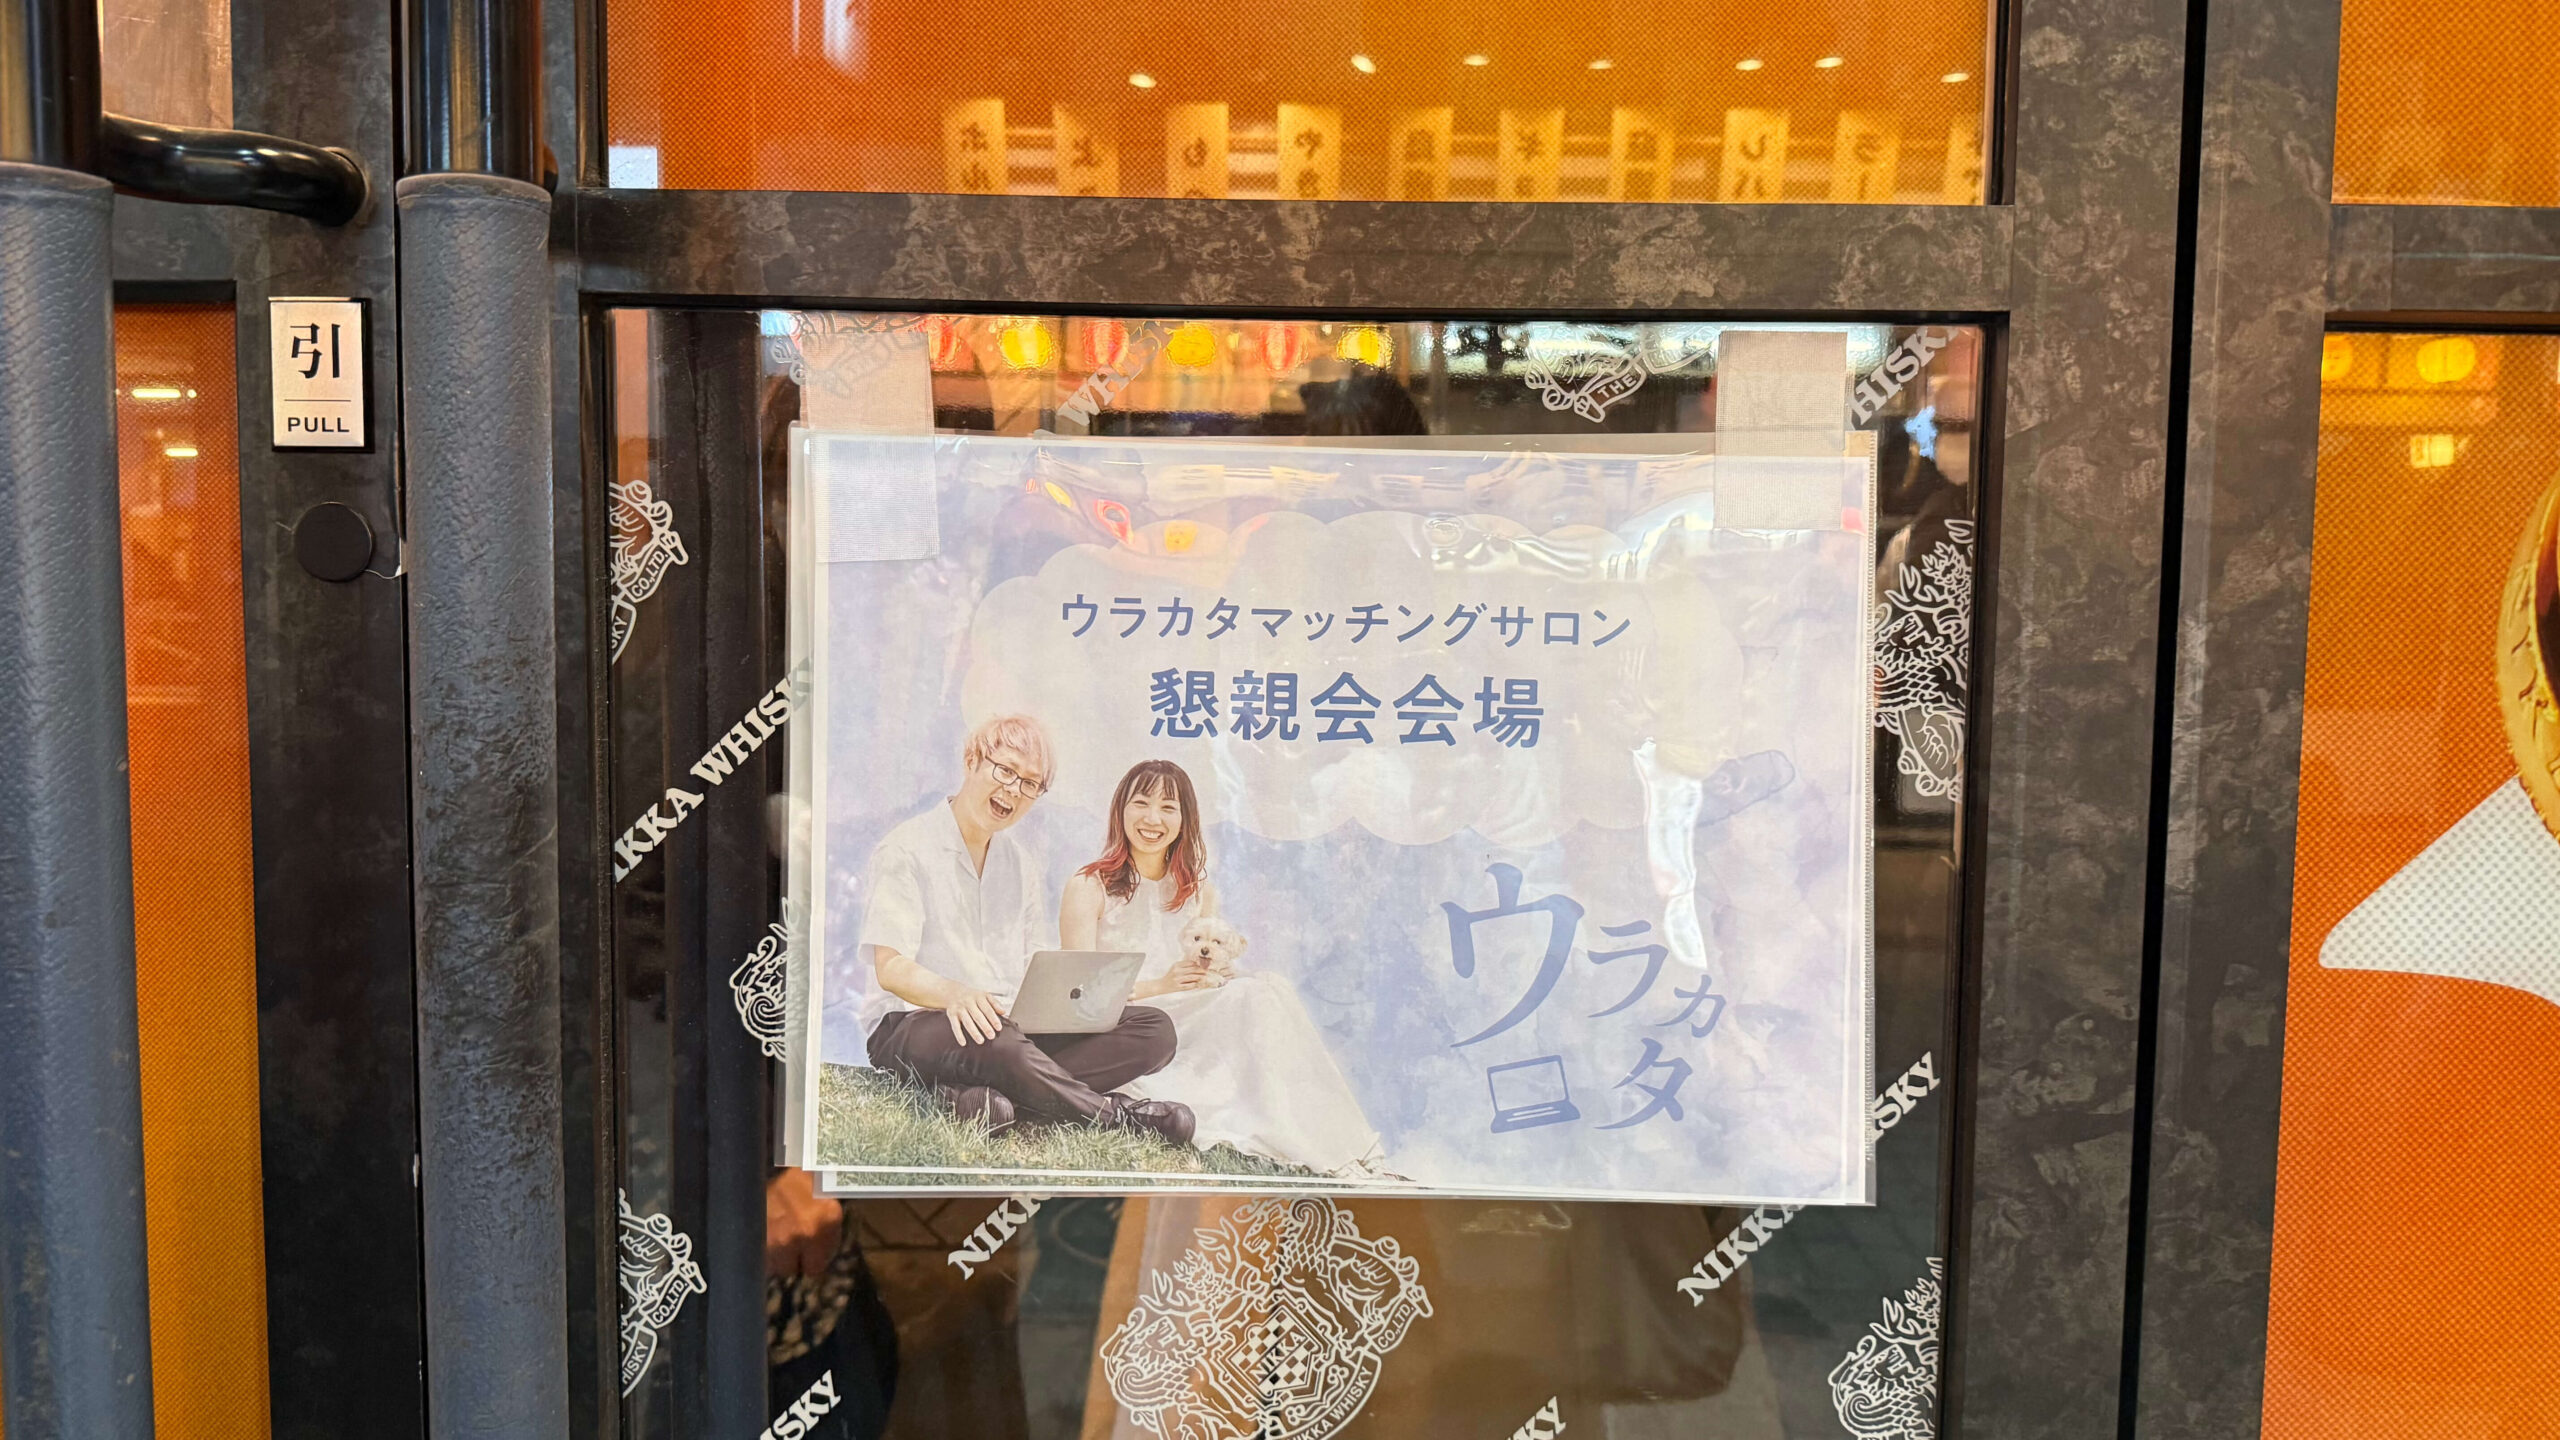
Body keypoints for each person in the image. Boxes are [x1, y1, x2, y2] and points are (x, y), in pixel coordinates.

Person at [861, 714, 1194, 1143]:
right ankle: (1117, 1117)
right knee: (997, 1039)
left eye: (1030, 783)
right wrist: (955, 994)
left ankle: (983, 1099)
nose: (1014, 790)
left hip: (1007, 1025)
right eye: (1005, 770)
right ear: (971, 760)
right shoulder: (906, 848)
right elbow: (890, 968)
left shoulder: (1020, 864)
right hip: (916, 1022)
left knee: (1154, 1030)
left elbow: (1034, 966)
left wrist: (1068, 1008)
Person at [1059, 759, 1385, 1175]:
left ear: (1185, 820)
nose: (1153, 819)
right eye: (1140, 803)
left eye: (1168, 808)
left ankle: (1356, 1148)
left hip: (1196, 1013)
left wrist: (1222, 975)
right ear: (1120, 809)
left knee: (1269, 987)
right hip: (1137, 1027)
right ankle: (1327, 1157)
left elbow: (1210, 962)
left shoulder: (1198, 891)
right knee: (1256, 995)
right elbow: (1078, 997)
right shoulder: (1089, 885)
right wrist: (1160, 985)